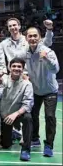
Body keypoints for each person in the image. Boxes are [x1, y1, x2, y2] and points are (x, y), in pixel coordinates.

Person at [25, 27, 60, 157]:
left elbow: (56, 69)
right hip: (34, 90)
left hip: (50, 90)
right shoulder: (26, 53)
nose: (33, 38)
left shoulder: (47, 51)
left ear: (39, 37)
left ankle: (49, 145)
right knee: (32, 115)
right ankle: (35, 138)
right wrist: (24, 75)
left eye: (35, 36)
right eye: (30, 36)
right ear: (26, 38)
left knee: (50, 117)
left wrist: (46, 59)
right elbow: (24, 68)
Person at [0, 58, 34, 161]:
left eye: (19, 67)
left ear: (23, 69)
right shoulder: (3, 79)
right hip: (5, 116)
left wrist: (15, 114)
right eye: (14, 66)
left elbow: (28, 104)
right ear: (9, 68)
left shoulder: (27, 84)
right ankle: (15, 133)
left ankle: (26, 149)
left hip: (18, 114)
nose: (16, 68)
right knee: (6, 144)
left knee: (28, 118)